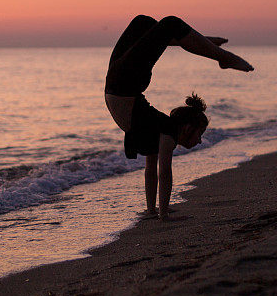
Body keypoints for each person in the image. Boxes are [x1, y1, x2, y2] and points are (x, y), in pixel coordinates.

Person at [104, 15, 254, 220]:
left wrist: (153, 211)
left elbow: (152, 171)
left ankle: (198, 42)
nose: (200, 140)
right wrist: (163, 214)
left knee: (151, 25)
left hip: (119, 83)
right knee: (158, 23)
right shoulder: (168, 133)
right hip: (124, 83)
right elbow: (164, 173)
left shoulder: (158, 130)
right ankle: (222, 56)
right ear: (187, 128)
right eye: (199, 134)